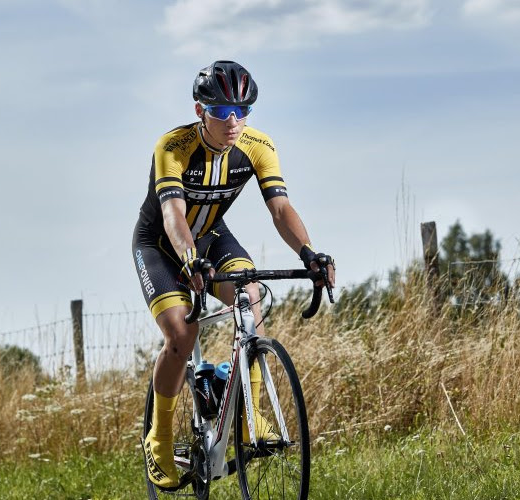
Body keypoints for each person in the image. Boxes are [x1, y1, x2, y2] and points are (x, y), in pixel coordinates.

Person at [132, 60, 335, 489]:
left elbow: (280, 208)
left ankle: (251, 416)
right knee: (181, 336)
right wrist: (189, 262)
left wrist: (308, 252)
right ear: (199, 110)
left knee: (250, 294)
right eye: (222, 111)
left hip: (212, 237)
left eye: (243, 111)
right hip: (162, 246)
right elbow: (172, 214)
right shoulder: (174, 146)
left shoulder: (258, 145)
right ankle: (159, 439)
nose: (234, 121)